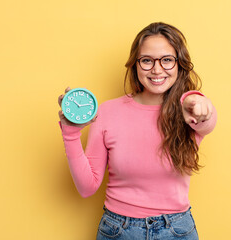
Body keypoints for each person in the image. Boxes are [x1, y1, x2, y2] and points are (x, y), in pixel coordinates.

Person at [58, 22, 217, 240]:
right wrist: (71, 132)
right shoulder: (106, 112)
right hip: (118, 230)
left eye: (167, 60)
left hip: (176, 230)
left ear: (180, 64)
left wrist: (198, 103)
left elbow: (206, 117)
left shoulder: (188, 109)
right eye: (147, 60)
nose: (157, 69)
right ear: (135, 64)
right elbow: (87, 188)